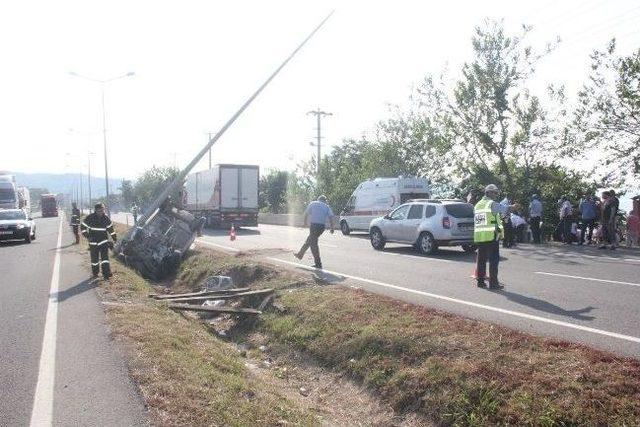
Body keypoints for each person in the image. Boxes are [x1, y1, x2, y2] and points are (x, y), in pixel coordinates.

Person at [473, 184, 518, 290]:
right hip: (491, 235)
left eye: (496, 193)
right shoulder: (491, 204)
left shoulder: (477, 205)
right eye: (494, 192)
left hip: (480, 236)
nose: (496, 195)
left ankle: (480, 281)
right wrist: (514, 207)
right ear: (488, 193)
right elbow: (506, 209)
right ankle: (493, 283)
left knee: (481, 259)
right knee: (494, 260)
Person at [294, 195, 335, 269]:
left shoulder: (313, 203)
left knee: (313, 244)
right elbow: (331, 217)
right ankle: (300, 254)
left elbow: (306, 213)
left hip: (314, 226)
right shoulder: (326, 206)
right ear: (324, 200)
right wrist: (332, 228)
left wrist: (305, 223)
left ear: (318, 199)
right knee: (310, 240)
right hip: (321, 227)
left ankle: (318, 263)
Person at [81, 203, 117, 279]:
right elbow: (83, 227)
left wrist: (114, 239)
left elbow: (111, 230)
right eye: (99, 210)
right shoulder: (90, 217)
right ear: (96, 210)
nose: (101, 212)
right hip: (93, 242)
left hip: (103, 242)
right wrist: (87, 236)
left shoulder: (106, 218)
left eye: (103, 210)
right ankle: (95, 273)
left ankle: (106, 274)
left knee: (105, 259)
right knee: (94, 260)